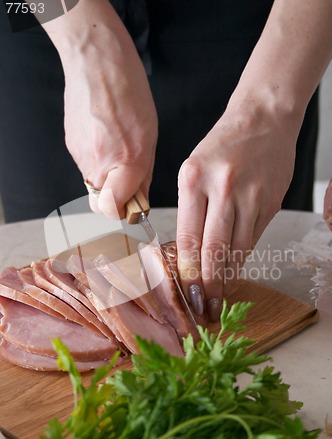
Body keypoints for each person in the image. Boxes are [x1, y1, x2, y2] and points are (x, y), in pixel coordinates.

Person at [1, 0, 332, 322]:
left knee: (266, 267)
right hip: (43, 24)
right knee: (53, 293)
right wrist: (84, 43)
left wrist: (268, 108)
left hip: (260, 36)